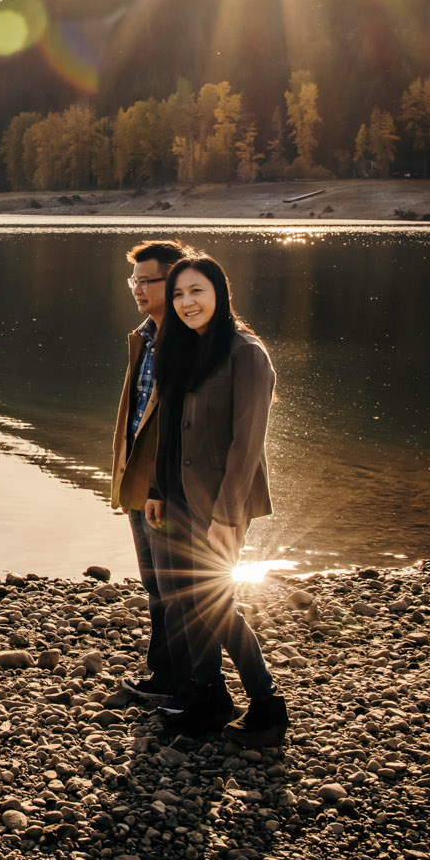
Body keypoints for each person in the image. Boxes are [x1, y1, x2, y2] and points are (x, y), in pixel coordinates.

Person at [143, 253, 288, 746]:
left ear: (219, 293)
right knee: (183, 602)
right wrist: (157, 490)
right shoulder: (182, 349)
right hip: (176, 499)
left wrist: (227, 516)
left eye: (197, 291)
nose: (186, 303)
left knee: (217, 605)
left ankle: (267, 705)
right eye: (179, 293)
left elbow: (248, 443)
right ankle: (207, 697)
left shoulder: (246, 353)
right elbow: (167, 429)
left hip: (221, 503)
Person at [111, 239, 192, 701]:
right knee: (152, 584)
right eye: (134, 281)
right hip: (138, 479)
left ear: (174, 279)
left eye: (148, 281)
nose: (138, 289)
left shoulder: (187, 340)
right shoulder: (143, 336)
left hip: (170, 486)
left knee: (175, 586)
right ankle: (164, 677)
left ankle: (187, 682)